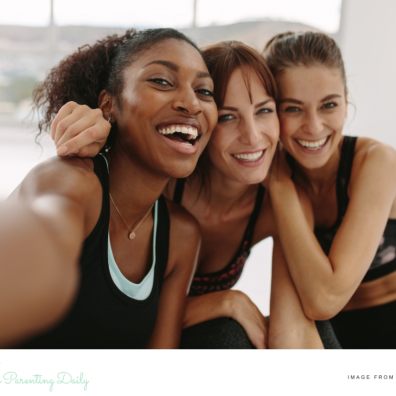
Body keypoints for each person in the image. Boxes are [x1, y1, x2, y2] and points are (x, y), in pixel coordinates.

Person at [50, 40, 332, 349]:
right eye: (227, 116)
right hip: (120, 344)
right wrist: (223, 301)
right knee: (227, 332)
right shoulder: (163, 184)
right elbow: (102, 310)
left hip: (190, 340)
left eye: (264, 111)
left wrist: (280, 186)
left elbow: (307, 314)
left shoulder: (276, 203)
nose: (252, 136)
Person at [0, 28, 218, 348]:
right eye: (161, 81)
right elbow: (37, 234)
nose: (191, 103)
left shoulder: (181, 235)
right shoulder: (73, 181)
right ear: (108, 106)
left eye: (205, 91)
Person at [263, 31, 396, 348]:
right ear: (272, 111)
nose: (314, 126)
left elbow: (324, 299)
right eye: (293, 108)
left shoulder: (376, 162)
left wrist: (280, 187)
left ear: (346, 101)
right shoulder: (274, 175)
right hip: (335, 336)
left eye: (328, 105)